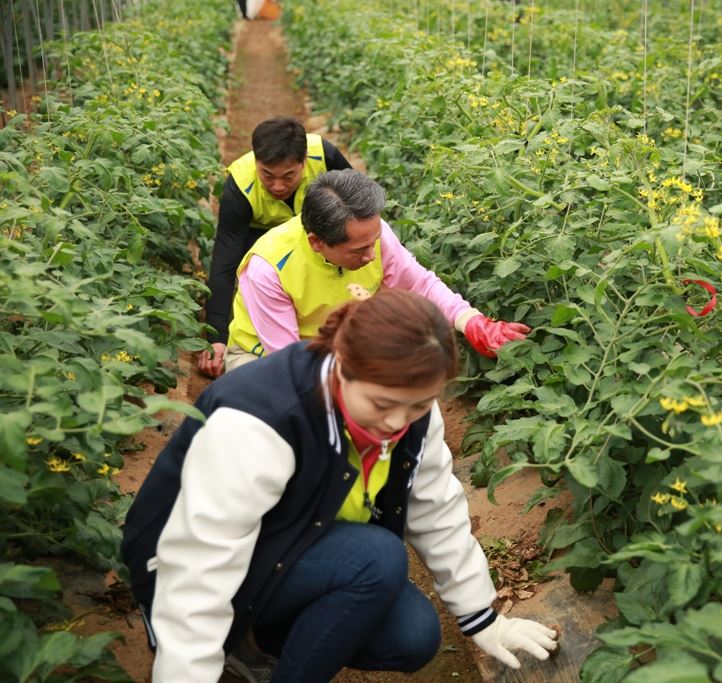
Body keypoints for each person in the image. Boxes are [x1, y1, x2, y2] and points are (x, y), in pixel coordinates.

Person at [121, 289, 559, 682]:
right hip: (181, 560)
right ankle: (235, 638)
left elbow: (436, 507)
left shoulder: (411, 413)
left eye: (418, 405)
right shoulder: (260, 420)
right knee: (376, 558)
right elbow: (198, 564)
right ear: (342, 367)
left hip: (292, 543)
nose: (396, 422)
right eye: (382, 404)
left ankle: (254, 640)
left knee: (413, 636)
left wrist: (483, 618)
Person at [221, 168, 530, 372]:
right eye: (359, 250)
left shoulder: (371, 233)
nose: (372, 256)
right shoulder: (270, 267)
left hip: (345, 347)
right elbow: (290, 363)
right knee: (282, 412)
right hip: (264, 357)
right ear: (317, 242)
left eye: (375, 243)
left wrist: (472, 322)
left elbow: (419, 284)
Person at [199, 117, 354, 377]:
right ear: (256, 161)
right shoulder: (239, 183)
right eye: (267, 176)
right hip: (258, 238)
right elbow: (224, 263)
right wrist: (216, 337)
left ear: (304, 161)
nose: (278, 186)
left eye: (289, 176)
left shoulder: (325, 157)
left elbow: (357, 208)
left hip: (313, 232)